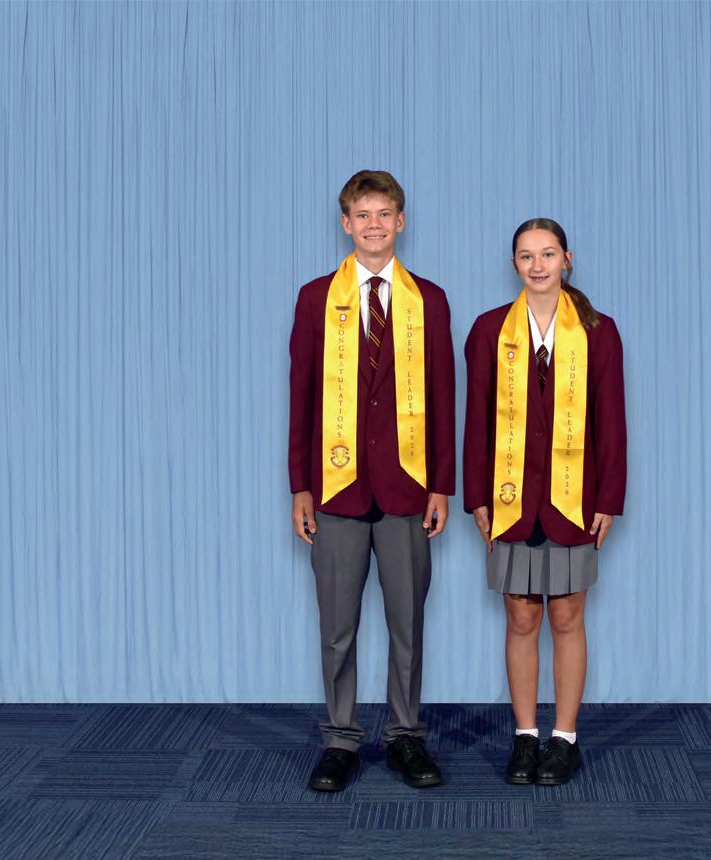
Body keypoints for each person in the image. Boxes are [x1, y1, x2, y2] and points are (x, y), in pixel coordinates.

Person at [288, 170, 455, 791]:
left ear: (401, 222)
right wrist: (300, 485)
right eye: (363, 215)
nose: (374, 225)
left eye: (385, 214)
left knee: (407, 622)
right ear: (345, 224)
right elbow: (301, 395)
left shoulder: (428, 300)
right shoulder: (315, 298)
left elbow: (443, 397)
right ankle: (339, 738)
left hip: (408, 486)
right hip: (337, 488)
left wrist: (441, 484)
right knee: (338, 625)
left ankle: (406, 734)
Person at [463, 218, 626, 786]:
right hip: (511, 498)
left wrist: (608, 497)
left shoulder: (598, 331)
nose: (538, 265)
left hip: (573, 498)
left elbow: (611, 420)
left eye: (548, 254)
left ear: (567, 260)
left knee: (567, 616)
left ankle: (565, 739)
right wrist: (477, 495)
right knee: (521, 617)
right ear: (513, 264)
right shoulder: (489, 330)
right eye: (527, 255)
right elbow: (477, 420)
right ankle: (526, 735)